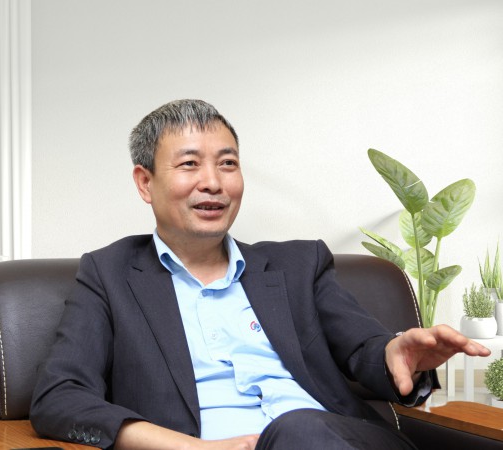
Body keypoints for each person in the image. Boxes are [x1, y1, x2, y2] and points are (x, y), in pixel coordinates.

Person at [30, 99, 490, 449]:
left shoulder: (298, 265)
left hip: (331, 439)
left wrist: (394, 351)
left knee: (297, 429)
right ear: (145, 183)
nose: (213, 182)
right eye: (189, 164)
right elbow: (59, 396)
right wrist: (189, 448)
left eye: (227, 163)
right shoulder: (110, 274)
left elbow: (363, 346)